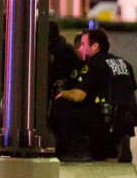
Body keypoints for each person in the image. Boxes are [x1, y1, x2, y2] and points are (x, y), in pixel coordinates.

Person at [52, 29, 137, 163]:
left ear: (95, 46)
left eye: (83, 45)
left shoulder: (93, 64)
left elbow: (77, 96)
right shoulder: (124, 63)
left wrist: (62, 93)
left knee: (61, 104)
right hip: (127, 121)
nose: (80, 49)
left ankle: (79, 150)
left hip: (106, 120)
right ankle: (118, 143)